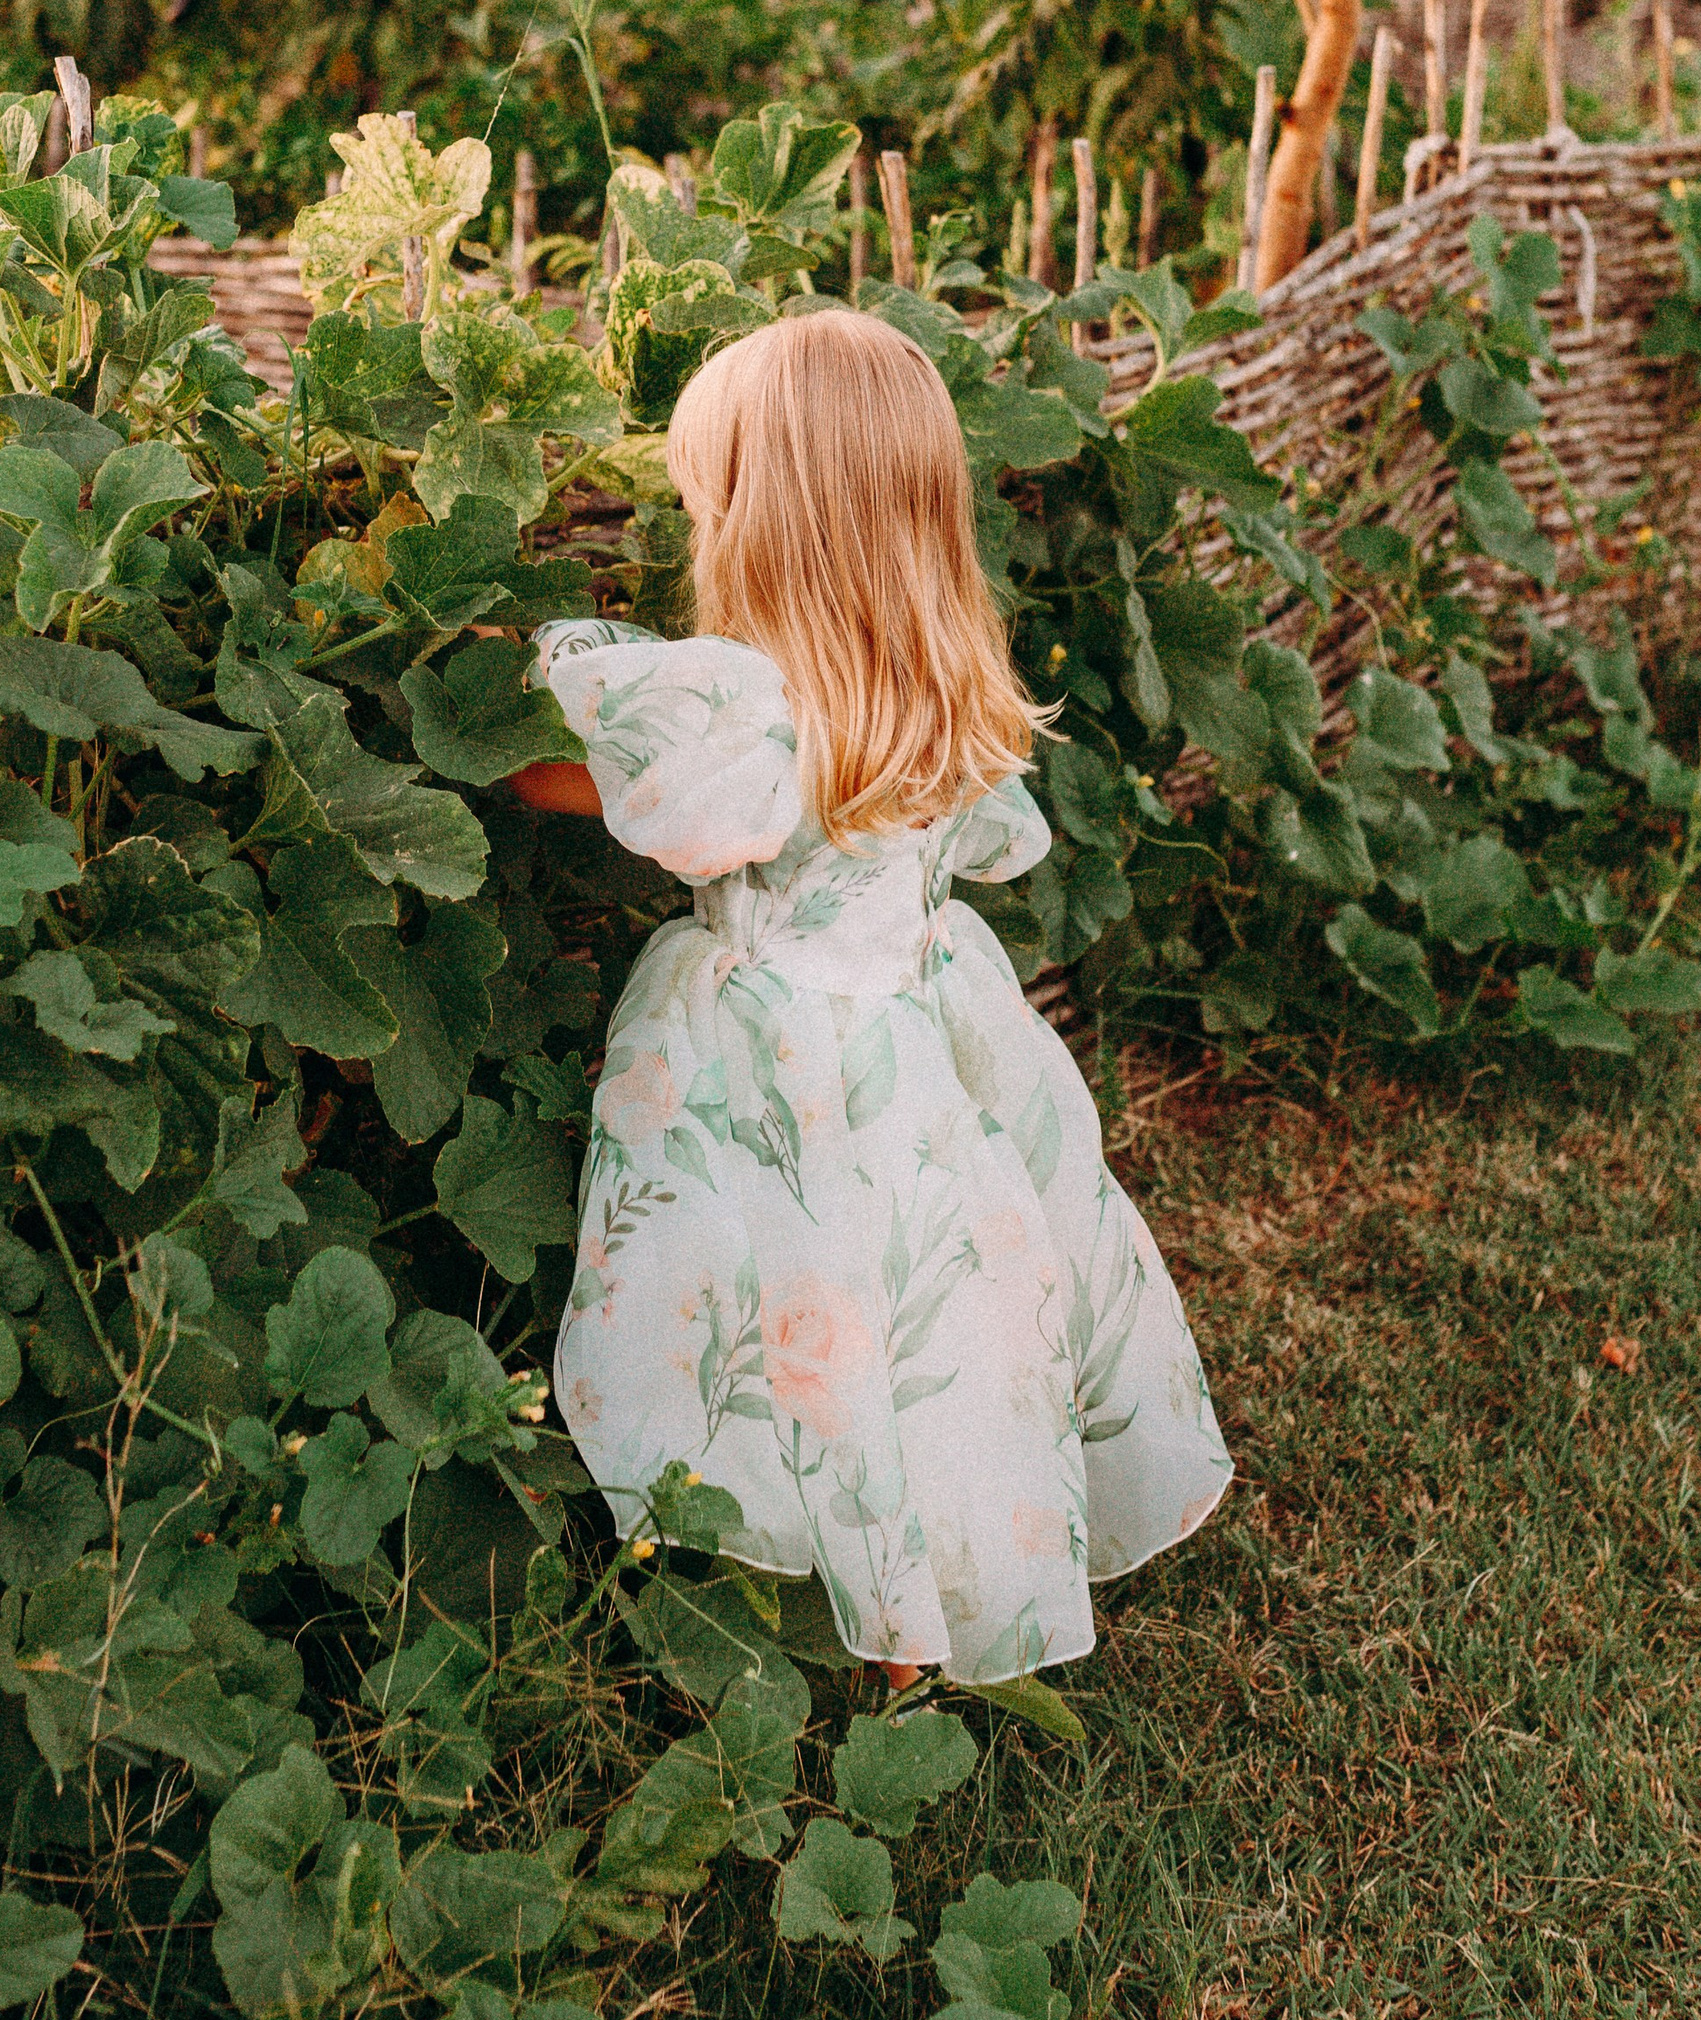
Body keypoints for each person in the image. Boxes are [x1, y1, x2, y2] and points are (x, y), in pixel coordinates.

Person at [510, 305, 1232, 1690]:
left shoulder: (749, 708)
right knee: (928, 1325)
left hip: (771, 1058)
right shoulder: (943, 691)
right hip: (922, 1038)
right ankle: (919, 1615)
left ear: (766, 524)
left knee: (764, 1305)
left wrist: (511, 704)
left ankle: (783, 1574)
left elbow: (578, 784)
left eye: (707, 500)